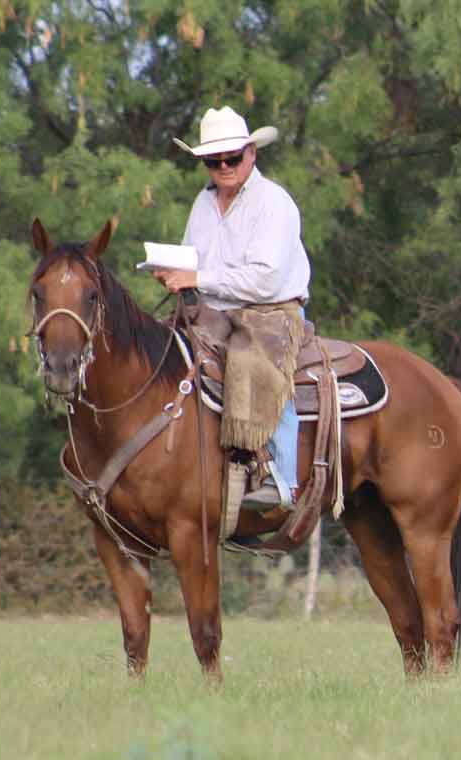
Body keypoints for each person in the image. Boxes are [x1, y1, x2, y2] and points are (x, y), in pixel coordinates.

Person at [153, 106, 311, 512]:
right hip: (211, 310)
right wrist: (174, 274)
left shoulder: (273, 203)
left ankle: (282, 478)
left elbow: (265, 279)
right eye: (213, 160)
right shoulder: (203, 204)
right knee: (156, 350)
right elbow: (193, 258)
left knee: (253, 363)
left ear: (251, 153)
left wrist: (197, 279)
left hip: (270, 310)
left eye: (232, 158)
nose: (223, 167)